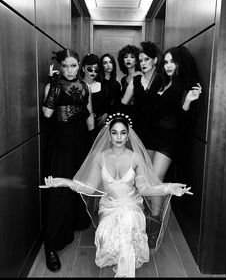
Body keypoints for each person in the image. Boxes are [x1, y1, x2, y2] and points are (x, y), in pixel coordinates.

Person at [40, 112, 193, 277]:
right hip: (109, 206)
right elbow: (90, 188)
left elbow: (144, 189)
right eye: (114, 132)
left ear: (128, 136)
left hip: (131, 204)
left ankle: (125, 272)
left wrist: (169, 188)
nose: (119, 137)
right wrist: (63, 182)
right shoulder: (99, 157)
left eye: (123, 133)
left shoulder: (136, 158)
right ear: (109, 135)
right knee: (109, 236)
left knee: (127, 221)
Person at [121, 41, 202, 249]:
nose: (168, 65)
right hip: (152, 137)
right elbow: (148, 106)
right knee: (145, 180)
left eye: (172, 62)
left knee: (154, 183)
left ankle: (153, 231)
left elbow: (183, 120)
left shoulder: (183, 85)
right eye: (166, 62)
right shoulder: (163, 82)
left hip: (168, 140)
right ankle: (146, 222)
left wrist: (188, 101)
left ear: (180, 63)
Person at [41, 49, 94, 272]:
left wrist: (93, 146)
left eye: (74, 66)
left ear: (79, 65)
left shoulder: (85, 86)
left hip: (81, 140)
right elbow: (46, 113)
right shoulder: (52, 86)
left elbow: (90, 115)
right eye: (66, 66)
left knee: (78, 185)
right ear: (60, 67)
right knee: (59, 191)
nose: (70, 70)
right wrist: (54, 84)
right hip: (62, 143)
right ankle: (51, 246)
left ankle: (74, 224)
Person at [80, 53, 104, 137]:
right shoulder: (77, 87)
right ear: (83, 69)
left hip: (99, 126)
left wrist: (105, 114)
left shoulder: (102, 86)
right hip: (81, 126)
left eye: (96, 69)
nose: (93, 72)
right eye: (90, 69)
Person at [117, 44, 142, 124]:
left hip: (139, 114)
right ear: (122, 60)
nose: (128, 59)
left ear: (137, 60)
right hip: (126, 113)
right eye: (126, 57)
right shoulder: (123, 79)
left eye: (132, 57)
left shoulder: (141, 76)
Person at [98, 53, 121, 131]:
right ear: (102, 65)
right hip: (97, 118)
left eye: (110, 62)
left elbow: (117, 104)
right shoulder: (97, 82)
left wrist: (107, 114)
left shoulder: (117, 85)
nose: (108, 65)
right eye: (105, 63)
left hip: (111, 119)